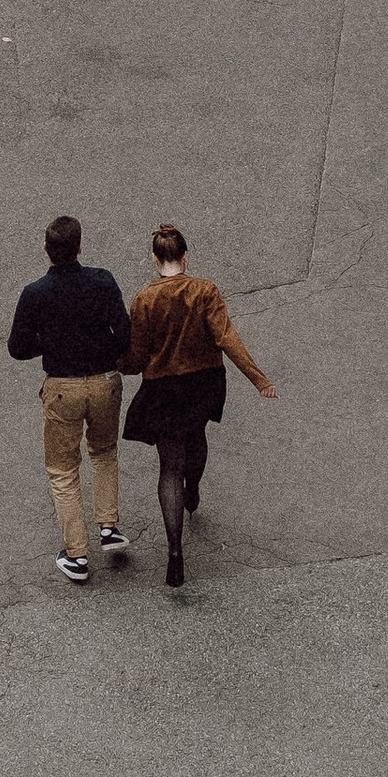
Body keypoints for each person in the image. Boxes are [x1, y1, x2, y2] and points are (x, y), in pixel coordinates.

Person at [121, 222, 275, 588]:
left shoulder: (144, 298)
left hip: (163, 389)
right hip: (203, 382)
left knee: (168, 466)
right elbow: (227, 338)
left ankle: (175, 550)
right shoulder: (205, 290)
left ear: (154, 259)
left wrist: (117, 364)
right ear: (185, 256)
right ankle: (194, 491)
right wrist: (259, 379)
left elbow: (136, 357)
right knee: (197, 435)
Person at [5, 214, 132, 584]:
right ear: (79, 247)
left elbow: (17, 347)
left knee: (63, 469)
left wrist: (51, 342)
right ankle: (109, 526)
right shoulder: (102, 281)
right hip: (105, 381)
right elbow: (123, 333)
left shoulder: (35, 294)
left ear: (47, 249)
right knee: (104, 452)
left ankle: (76, 554)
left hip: (63, 387)